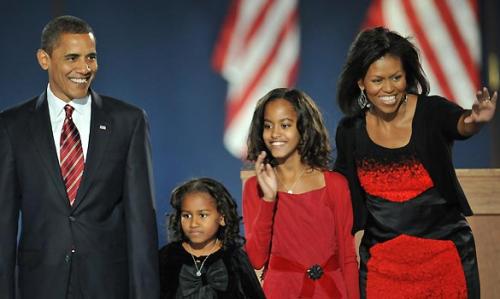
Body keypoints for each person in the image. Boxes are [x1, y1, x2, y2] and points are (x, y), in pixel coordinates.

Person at [0, 15, 159, 298]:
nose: (84, 68)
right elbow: (3, 224)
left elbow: (141, 223)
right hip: (40, 284)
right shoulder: (12, 126)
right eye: (72, 58)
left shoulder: (128, 121)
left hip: (108, 284)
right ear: (44, 59)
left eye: (91, 58)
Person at [334, 26, 497, 298]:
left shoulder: (431, 112)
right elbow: (339, 186)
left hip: (445, 261)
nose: (388, 88)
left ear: (406, 76)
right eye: (377, 80)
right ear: (361, 82)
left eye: (396, 77)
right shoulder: (350, 131)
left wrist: (474, 121)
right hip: (383, 269)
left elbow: (459, 123)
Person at [243, 88, 360, 298]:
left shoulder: (334, 184)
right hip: (280, 292)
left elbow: (348, 257)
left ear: (303, 129)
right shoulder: (255, 186)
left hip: (330, 291)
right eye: (268, 126)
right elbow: (256, 258)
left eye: (285, 125)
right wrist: (269, 200)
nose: (275, 134)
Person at [159, 177, 265, 299]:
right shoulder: (167, 257)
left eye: (202, 215)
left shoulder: (235, 258)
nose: (194, 223)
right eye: (186, 215)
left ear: (222, 218)